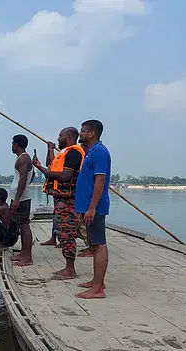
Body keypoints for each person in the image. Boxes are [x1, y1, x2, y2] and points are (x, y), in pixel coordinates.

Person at [33, 127, 85, 280]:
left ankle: (70, 269)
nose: (58, 138)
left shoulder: (74, 153)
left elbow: (64, 175)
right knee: (63, 232)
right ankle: (68, 267)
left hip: (69, 201)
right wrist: (43, 163)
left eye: (60, 136)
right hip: (61, 200)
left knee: (67, 234)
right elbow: (52, 165)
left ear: (69, 137)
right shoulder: (65, 152)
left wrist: (42, 170)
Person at [74, 120, 111, 299]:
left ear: (91, 134)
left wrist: (92, 208)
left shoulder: (100, 152)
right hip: (87, 207)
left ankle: (98, 289)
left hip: (94, 207)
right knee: (94, 244)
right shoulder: (89, 153)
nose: (80, 134)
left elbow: (100, 181)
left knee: (98, 245)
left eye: (82, 131)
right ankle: (97, 281)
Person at [10, 134, 34, 267]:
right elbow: (33, 175)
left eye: (12, 144)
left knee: (24, 226)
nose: (12, 146)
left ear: (16, 145)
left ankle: (27, 257)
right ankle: (23, 253)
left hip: (22, 199)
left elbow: (23, 179)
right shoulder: (22, 158)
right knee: (21, 225)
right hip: (20, 197)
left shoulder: (23, 159)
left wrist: (17, 199)